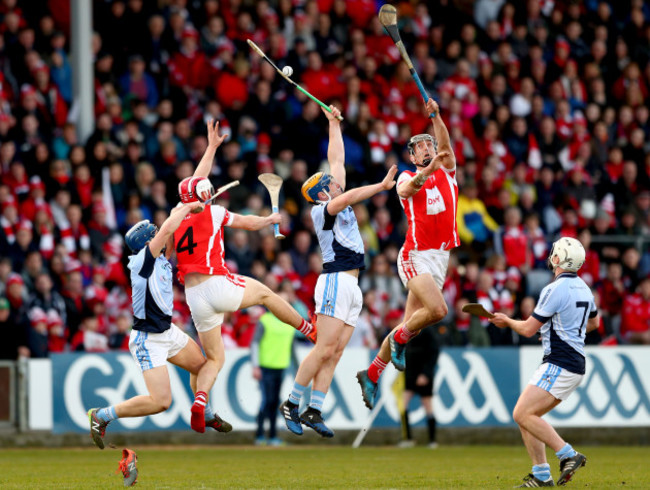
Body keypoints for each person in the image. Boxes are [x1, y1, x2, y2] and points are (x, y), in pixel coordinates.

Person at [175, 120, 316, 433]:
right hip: (216, 283)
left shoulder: (177, 214)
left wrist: (211, 147)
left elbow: (196, 182)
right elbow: (249, 224)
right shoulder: (214, 212)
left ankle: (202, 403)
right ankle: (309, 329)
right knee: (266, 294)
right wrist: (270, 219)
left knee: (211, 359)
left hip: (193, 296)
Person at [279, 105, 398, 438]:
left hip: (352, 285)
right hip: (334, 282)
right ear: (321, 193)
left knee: (335, 350)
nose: (336, 182)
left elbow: (336, 161)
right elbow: (354, 193)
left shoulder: (334, 197)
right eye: (331, 184)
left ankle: (314, 409)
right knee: (323, 348)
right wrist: (381, 186)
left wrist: (333, 124)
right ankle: (291, 402)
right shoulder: (324, 209)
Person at [87, 202, 232, 452]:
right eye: (153, 235)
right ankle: (102, 415)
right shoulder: (141, 261)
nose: (159, 235)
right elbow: (167, 229)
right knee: (161, 402)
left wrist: (188, 202)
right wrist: (186, 209)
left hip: (168, 331)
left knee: (204, 367)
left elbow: (171, 233)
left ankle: (206, 413)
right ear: (147, 242)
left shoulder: (162, 259)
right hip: (148, 338)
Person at [356, 98, 457, 410]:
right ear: (412, 156)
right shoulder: (405, 176)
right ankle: (398, 341)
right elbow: (406, 190)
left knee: (407, 323)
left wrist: (436, 116)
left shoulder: (449, 170)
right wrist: (426, 172)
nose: (427, 150)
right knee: (438, 311)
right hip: (415, 255)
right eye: (420, 148)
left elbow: (446, 145)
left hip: (440, 259)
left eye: (429, 145)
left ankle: (371, 373)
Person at [491, 237, 599, 487]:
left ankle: (568, 454)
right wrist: (560, 328)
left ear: (558, 258)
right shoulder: (584, 287)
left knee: (521, 413)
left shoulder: (554, 288)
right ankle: (541, 475)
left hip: (560, 362)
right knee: (530, 416)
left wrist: (507, 320)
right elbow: (593, 323)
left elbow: (528, 329)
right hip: (574, 363)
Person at [250, 282, 297, 446]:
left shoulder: (290, 323)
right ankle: (260, 434)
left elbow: (291, 349)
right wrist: (255, 365)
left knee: (274, 401)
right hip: (265, 367)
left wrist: (297, 369)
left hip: (281, 367)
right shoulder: (265, 320)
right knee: (267, 400)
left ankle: (271, 435)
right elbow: (255, 343)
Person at [398, 326, 439, 449]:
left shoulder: (428, 330)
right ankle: (408, 438)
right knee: (403, 403)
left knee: (427, 404)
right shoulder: (408, 327)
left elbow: (434, 353)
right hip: (410, 373)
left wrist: (426, 374)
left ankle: (432, 440)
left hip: (423, 373)